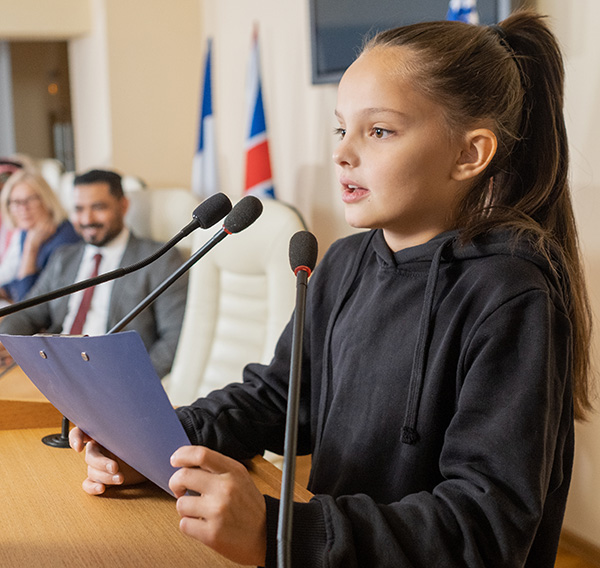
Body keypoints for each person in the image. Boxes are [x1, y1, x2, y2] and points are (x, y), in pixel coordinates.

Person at [70, 11, 593, 567]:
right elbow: (277, 400)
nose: (344, 152)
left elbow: (483, 529)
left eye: (380, 130)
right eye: (341, 128)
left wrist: (280, 531)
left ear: (470, 153)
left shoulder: (510, 294)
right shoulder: (344, 263)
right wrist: (155, 442)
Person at [0, 169, 187, 379]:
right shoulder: (64, 257)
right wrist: (9, 342)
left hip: (113, 374)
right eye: (79, 209)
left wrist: (137, 381)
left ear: (123, 206)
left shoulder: (159, 259)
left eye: (98, 208)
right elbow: (27, 312)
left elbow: (175, 336)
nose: (87, 219)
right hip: (56, 370)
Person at [0, 168, 81, 301]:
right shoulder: (28, 231)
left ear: (46, 200)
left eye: (30, 200)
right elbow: (17, 283)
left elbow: (27, 301)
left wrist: (30, 250)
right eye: (16, 202)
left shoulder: (65, 240)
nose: (23, 208)